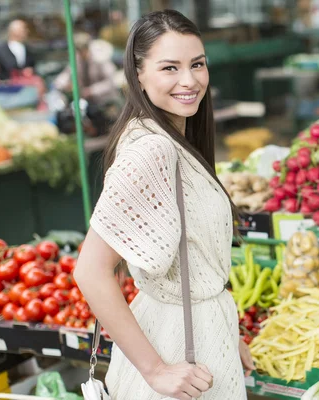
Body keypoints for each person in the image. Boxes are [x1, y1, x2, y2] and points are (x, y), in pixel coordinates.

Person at [74, 10, 253, 400]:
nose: (189, 80)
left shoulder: (170, 138)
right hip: (177, 351)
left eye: (197, 64)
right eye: (170, 67)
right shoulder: (152, 149)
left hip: (195, 337)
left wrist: (222, 329)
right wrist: (156, 371)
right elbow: (89, 271)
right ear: (138, 74)